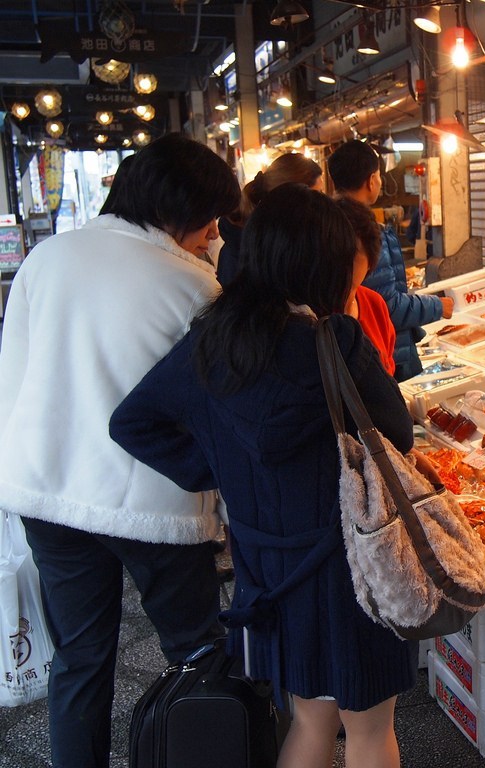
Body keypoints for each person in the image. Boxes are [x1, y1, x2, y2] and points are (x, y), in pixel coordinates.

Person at [109, 184, 417, 768]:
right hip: (354, 560)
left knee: (307, 719)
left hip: (267, 570)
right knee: (371, 729)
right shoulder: (336, 341)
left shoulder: (212, 342)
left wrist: (220, 469)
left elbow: (133, 423)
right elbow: (395, 436)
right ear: (320, 265)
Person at [0, 133, 239, 768]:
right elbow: (206, 407)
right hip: (151, 503)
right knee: (197, 651)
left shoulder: (45, 259)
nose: (212, 231)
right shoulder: (191, 284)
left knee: (79, 659)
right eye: (209, 216)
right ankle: (211, 754)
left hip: (47, 491)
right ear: (179, 208)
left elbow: (12, 376)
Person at [328, 140, 453, 382]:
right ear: (371, 180)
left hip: (354, 352)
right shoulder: (362, 233)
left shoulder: (327, 225)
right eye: (378, 176)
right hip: (383, 356)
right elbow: (387, 306)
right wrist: (438, 306)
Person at [216, 152, 323, 285]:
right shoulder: (250, 255)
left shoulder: (272, 242)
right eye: (316, 197)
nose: (321, 207)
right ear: (288, 200)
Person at [335, 196, 397, 375]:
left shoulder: (374, 303)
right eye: (335, 251)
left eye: (352, 252)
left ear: (370, 259)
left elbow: (389, 371)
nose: (342, 262)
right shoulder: (316, 317)